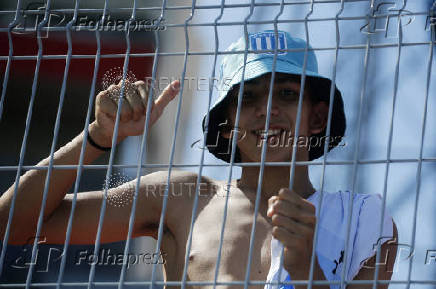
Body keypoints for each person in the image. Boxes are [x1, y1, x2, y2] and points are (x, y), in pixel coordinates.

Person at [0, 30, 397, 289]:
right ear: (225, 126)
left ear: (317, 118)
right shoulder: (180, 196)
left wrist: (306, 266)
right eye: (248, 97)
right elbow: (11, 225)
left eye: (288, 94)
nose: (268, 110)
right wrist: (98, 137)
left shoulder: (363, 219)